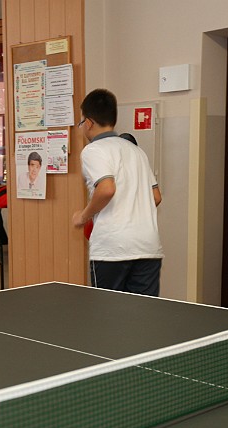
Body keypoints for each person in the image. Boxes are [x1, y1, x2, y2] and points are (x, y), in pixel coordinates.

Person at [72, 88, 164, 295]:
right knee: (143, 311)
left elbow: (106, 189)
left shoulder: (93, 150)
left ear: (89, 122)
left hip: (113, 249)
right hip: (148, 247)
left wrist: (83, 216)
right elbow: (156, 197)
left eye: (81, 122)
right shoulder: (137, 151)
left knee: (108, 312)